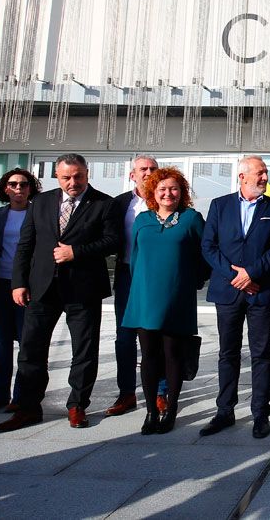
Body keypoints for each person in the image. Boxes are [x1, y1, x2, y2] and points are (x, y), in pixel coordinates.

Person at [0, 153, 118, 432]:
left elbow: (112, 241)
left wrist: (76, 252)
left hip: (82, 289)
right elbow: (25, 245)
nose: (73, 182)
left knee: (84, 351)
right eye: (66, 177)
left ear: (87, 173)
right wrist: (19, 282)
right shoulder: (40, 202)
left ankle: (77, 405)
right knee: (31, 350)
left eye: (78, 176)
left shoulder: (104, 203)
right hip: (42, 288)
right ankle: (28, 407)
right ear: (56, 176)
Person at [200, 156, 270, 438]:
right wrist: (235, 276)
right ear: (242, 177)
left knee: (261, 354)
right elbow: (208, 246)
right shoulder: (219, 205)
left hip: (260, 291)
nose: (264, 177)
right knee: (228, 353)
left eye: (265, 173)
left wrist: (251, 274)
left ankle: (260, 413)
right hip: (228, 291)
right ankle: (225, 411)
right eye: (259, 173)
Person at [121, 168, 208, 435]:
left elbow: (204, 254)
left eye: (174, 189)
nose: (168, 193)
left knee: (172, 354)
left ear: (181, 192)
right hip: (144, 295)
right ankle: (150, 411)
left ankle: (170, 409)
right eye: (162, 189)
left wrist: (193, 281)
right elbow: (134, 258)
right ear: (152, 193)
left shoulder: (191, 218)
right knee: (148, 355)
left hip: (176, 296)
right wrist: (141, 287)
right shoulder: (143, 219)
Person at [105, 155, 164, 417]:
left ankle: (161, 392)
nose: (148, 172)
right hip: (128, 275)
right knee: (125, 336)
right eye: (143, 169)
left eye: (153, 169)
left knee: (158, 335)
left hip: (158, 278)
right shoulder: (119, 204)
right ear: (132, 175)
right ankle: (126, 392)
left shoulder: (167, 200)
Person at [0, 167, 42, 414]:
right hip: (1, 284)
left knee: (27, 343)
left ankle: (21, 396)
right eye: (13, 184)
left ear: (31, 189)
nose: (18, 189)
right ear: (5, 188)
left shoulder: (38, 214)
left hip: (28, 285)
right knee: (2, 342)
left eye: (24, 184)